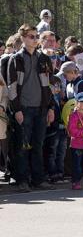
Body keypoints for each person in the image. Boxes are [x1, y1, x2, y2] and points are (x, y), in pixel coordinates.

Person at [7, 24, 56, 192]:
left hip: (41, 108)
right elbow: (12, 87)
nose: (35, 40)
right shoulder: (16, 59)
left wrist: (50, 107)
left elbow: (48, 85)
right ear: (23, 38)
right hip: (24, 108)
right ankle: (22, 180)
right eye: (31, 36)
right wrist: (17, 109)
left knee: (38, 145)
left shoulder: (44, 58)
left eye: (36, 36)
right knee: (22, 146)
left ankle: (38, 179)